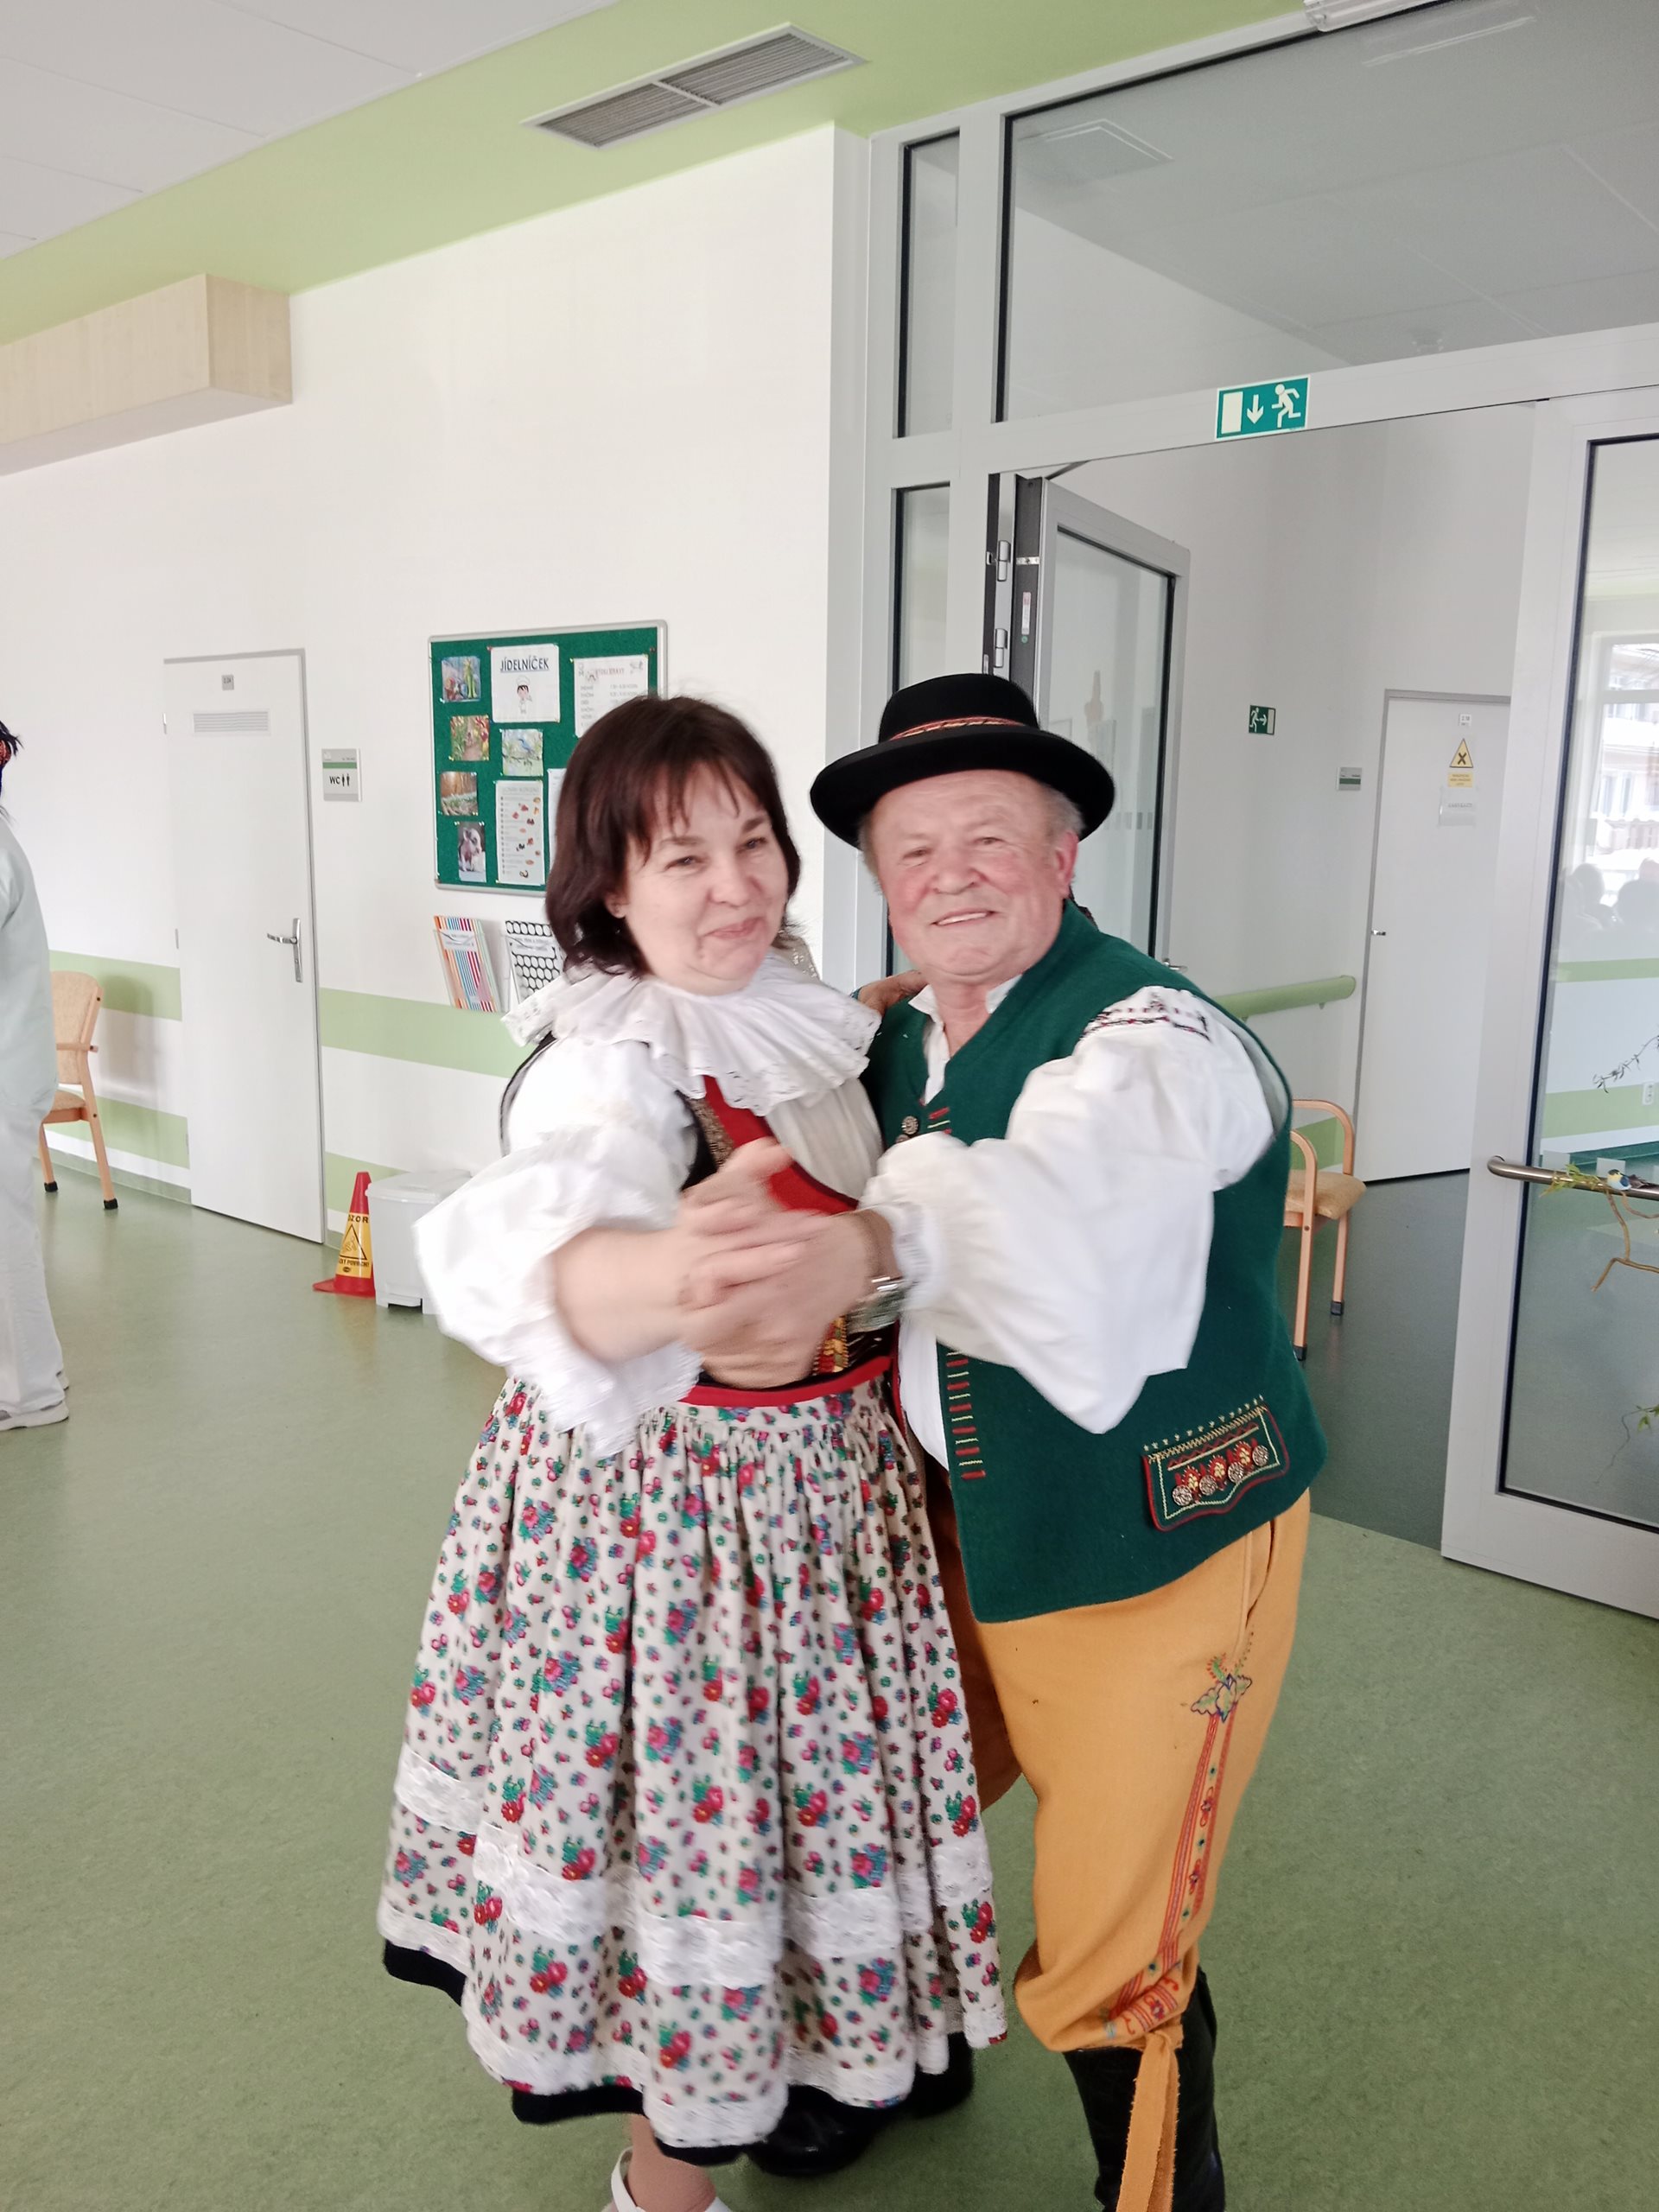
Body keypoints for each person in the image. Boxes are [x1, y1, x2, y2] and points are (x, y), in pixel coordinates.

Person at [377, 696, 1004, 2212]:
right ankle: (662, 2188)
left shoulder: (794, 1001)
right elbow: (536, 1225)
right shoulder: (606, 1062)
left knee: (809, 1817)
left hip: (824, 1506)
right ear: (609, 887)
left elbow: (815, 1070)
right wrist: (663, 1278)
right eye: (683, 860)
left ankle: (835, 2053)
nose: (735, 888)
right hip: (686, 1542)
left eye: (754, 843)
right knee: (698, 1854)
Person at [721, 672, 1325, 2211]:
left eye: (989, 838)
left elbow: (1063, 1202)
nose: (952, 877)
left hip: (1153, 1545)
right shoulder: (897, 1034)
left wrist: (866, 1239)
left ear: (1063, 857)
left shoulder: (1159, 1040)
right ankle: (891, 2059)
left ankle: (1160, 2193)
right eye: (913, 852)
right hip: (939, 1521)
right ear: (880, 882)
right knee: (877, 1808)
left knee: (1118, 1921)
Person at [0, 721, 67, 1434]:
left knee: (5, 1232)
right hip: (11, 1065)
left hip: (6, 1073)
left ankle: (32, 1393)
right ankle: (35, 1369)